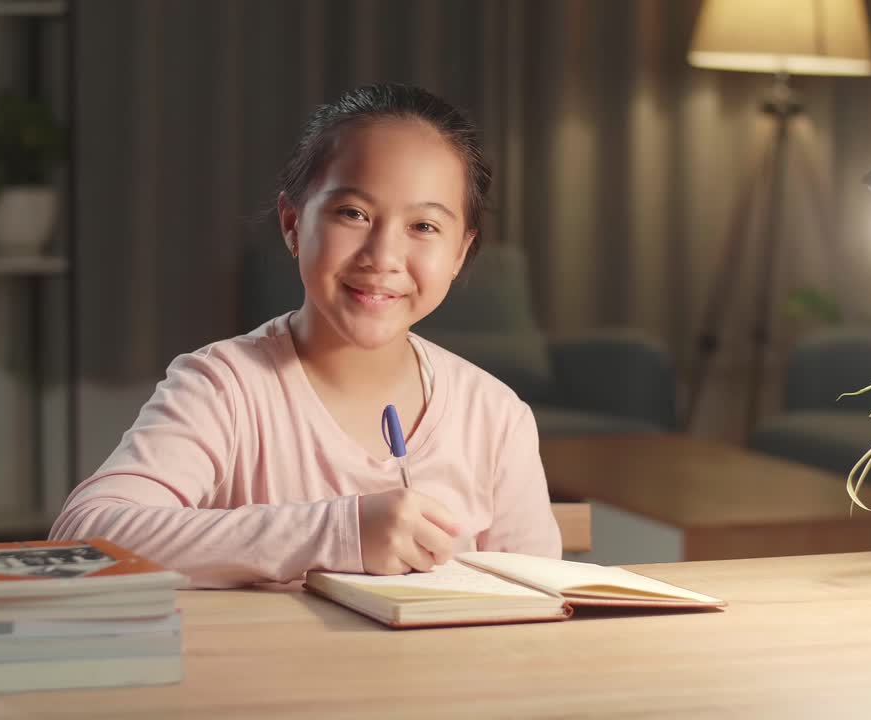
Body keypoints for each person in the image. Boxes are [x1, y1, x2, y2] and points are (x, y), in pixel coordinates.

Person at [50, 82, 561, 587]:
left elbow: (545, 603)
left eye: (423, 226)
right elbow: (83, 538)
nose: (382, 257)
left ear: (459, 252)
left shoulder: (495, 416)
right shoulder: (224, 388)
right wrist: (338, 533)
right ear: (293, 224)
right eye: (353, 214)